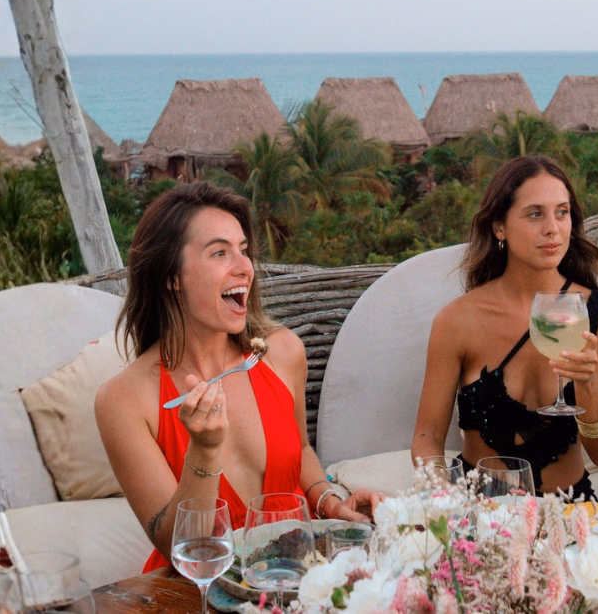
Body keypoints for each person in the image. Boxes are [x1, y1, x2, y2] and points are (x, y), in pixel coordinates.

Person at [96, 182, 383, 571]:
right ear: (171, 276)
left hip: (297, 573)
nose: (244, 267)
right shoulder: (124, 400)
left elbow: (299, 451)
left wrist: (330, 502)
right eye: (219, 252)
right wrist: (204, 450)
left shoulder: (282, 353)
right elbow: (177, 546)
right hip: (204, 589)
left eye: (243, 251)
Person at [411, 155, 598, 499]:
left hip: (568, 513)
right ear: (499, 227)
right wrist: (442, 497)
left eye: (562, 212)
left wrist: (587, 382)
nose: (552, 229)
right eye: (535, 214)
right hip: (480, 512)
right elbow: (427, 437)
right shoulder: (457, 321)